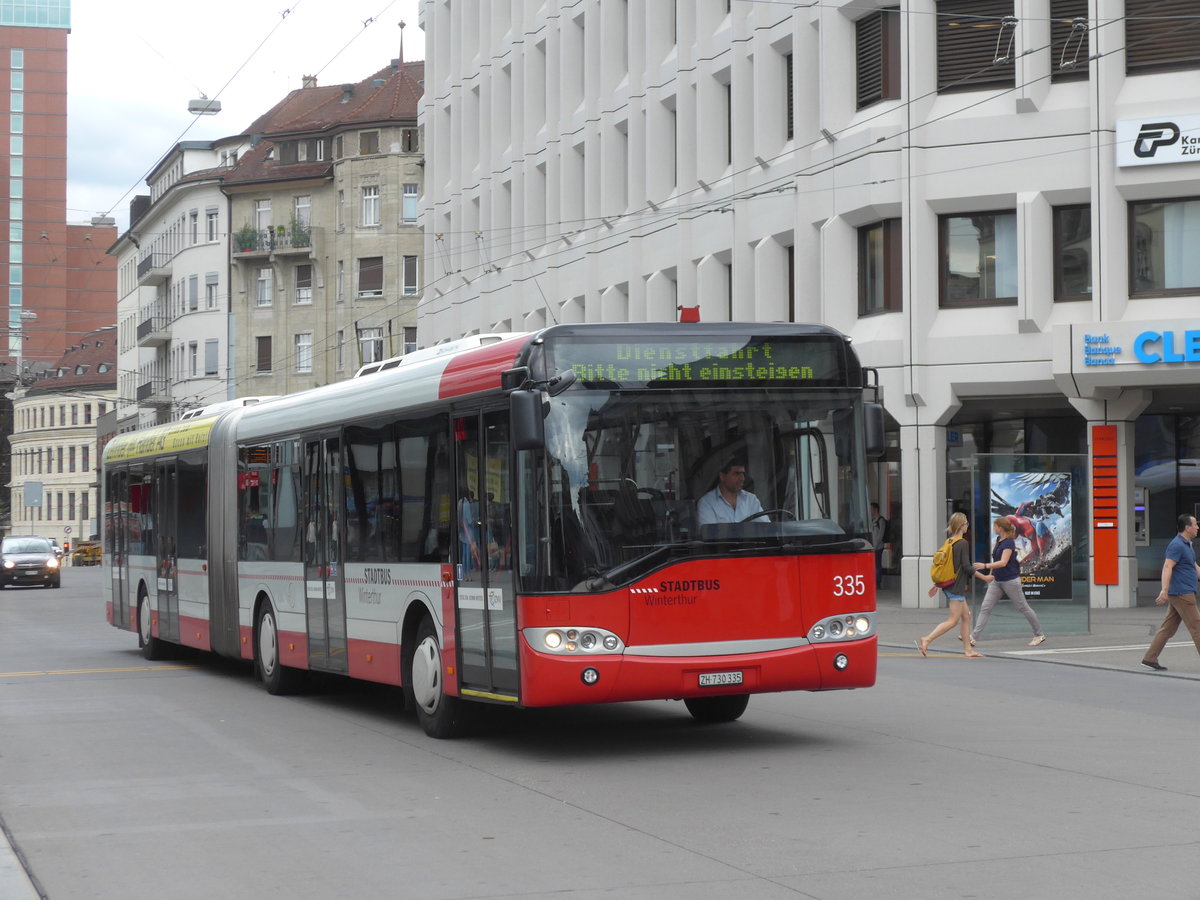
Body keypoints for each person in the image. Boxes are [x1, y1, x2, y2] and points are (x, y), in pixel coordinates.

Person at [916, 512, 985, 658]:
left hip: (949, 585)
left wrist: (938, 583)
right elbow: (966, 567)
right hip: (956, 587)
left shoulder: (949, 541)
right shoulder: (962, 543)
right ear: (961, 526)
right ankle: (927, 639)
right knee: (953, 620)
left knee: (966, 617)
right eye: (966, 523)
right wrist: (985, 577)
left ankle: (968, 649)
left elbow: (947, 566)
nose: (968, 526)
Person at [971, 516, 1046, 647]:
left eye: (995, 526)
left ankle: (1039, 635)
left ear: (1000, 528)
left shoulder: (1009, 543)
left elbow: (1003, 562)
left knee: (1023, 607)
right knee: (985, 608)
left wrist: (985, 566)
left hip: (1010, 581)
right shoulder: (999, 540)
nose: (994, 528)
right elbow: (996, 560)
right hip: (997, 581)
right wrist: (990, 575)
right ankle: (973, 637)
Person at [1140, 513, 1200, 672]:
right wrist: (1164, 590)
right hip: (1182, 593)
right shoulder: (1177, 545)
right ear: (1187, 528)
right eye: (1195, 524)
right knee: (1197, 627)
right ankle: (1150, 657)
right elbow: (1167, 567)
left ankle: (1149, 658)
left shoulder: (1187, 545)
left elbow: (1193, 567)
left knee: (1168, 628)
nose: (1197, 527)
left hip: (1182, 592)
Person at [696, 458, 764, 525]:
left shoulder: (751, 500)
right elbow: (709, 534)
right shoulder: (707, 503)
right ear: (722, 476)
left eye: (743, 474)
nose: (742, 478)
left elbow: (766, 528)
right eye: (737, 474)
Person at [870, 502, 889, 587]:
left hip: (878, 547)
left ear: (876, 510)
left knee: (877, 565)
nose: (870, 511)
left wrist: (875, 546)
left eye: (872, 509)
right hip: (872, 547)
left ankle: (878, 582)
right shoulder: (872, 520)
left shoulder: (881, 520)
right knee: (873, 565)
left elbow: (880, 535)